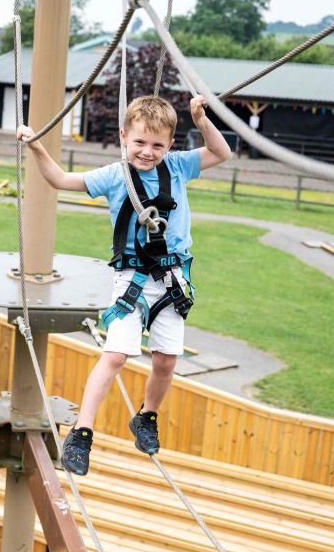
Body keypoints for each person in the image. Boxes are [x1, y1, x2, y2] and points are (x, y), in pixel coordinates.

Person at [16, 94, 231, 476]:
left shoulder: (178, 166)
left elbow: (221, 152)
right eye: (140, 142)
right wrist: (36, 146)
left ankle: (147, 416)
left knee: (166, 360)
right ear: (123, 137)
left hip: (171, 279)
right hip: (132, 278)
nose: (147, 152)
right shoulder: (116, 175)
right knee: (115, 356)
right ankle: (82, 430)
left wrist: (200, 119)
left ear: (170, 145)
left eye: (158, 145)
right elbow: (61, 180)